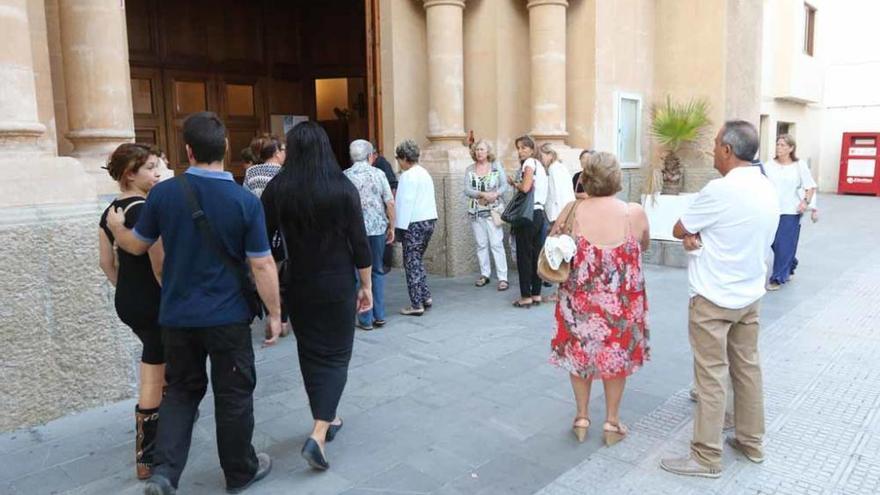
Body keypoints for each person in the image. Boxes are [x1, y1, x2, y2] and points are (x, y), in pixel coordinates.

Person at [107, 112, 280, 494]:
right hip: (228, 317)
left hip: (178, 315)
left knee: (181, 393)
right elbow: (262, 263)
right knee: (233, 394)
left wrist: (118, 229)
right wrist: (275, 313)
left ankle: (165, 473)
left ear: (188, 151)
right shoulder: (244, 200)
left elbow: (138, 245)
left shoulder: (163, 194)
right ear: (226, 147)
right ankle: (240, 471)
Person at [660, 120, 779, 478]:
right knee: (747, 369)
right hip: (749, 295)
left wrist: (693, 237)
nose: (712, 150)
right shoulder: (766, 186)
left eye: (714, 144)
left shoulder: (720, 190)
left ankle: (706, 457)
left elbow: (679, 228)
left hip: (713, 298)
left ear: (727, 150)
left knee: (711, 377)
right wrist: (700, 238)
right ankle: (751, 441)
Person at [261, 122, 373, 471]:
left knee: (310, 354)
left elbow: (262, 241)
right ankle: (319, 432)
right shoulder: (341, 187)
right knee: (337, 356)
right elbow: (359, 242)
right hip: (337, 282)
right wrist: (367, 285)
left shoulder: (279, 188)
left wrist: (272, 296)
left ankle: (328, 417)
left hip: (299, 282)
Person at [549, 151, 651, 446]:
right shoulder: (633, 213)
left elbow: (554, 246)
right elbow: (644, 244)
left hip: (577, 302)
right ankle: (611, 422)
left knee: (579, 355)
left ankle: (581, 417)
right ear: (617, 178)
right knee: (614, 357)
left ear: (585, 178)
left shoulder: (571, 211)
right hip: (621, 304)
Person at [98, 143, 165, 480]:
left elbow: (105, 263)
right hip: (155, 302)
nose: (158, 174)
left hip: (128, 301)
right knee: (153, 369)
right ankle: (147, 457)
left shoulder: (110, 211)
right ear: (129, 174)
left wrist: (126, 288)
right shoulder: (144, 210)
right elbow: (159, 265)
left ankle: (169, 421)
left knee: (162, 359)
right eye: (150, 168)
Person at [344, 139, 395, 331]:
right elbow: (389, 202)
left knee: (357, 272)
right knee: (377, 270)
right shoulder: (378, 174)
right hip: (377, 229)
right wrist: (392, 226)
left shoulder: (345, 176)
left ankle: (365, 318)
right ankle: (379, 314)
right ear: (369, 155)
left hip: (354, 231)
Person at [764, 134, 816, 290]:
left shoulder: (799, 165)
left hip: (791, 210)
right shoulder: (768, 166)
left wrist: (805, 202)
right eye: (778, 144)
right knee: (772, 242)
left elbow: (810, 186)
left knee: (783, 244)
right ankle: (791, 262)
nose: (779, 147)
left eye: (783, 145)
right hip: (771, 209)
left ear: (791, 148)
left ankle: (777, 278)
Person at [394, 139, 438, 316]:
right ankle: (425, 296)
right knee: (417, 260)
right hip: (429, 220)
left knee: (411, 263)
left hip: (413, 223)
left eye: (399, 158)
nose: (398, 162)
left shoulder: (407, 176)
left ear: (405, 158)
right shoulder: (424, 172)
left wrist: (398, 229)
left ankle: (416, 303)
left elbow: (404, 204)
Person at [464, 139, 510, 291]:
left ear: (488, 151)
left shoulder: (496, 166)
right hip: (476, 211)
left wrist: (495, 194)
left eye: (482, 149)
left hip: (493, 211)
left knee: (496, 243)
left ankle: (503, 277)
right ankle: (485, 274)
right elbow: (467, 189)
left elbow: (504, 185)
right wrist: (482, 194)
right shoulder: (470, 169)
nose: (479, 152)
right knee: (481, 244)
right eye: (477, 150)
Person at [508, 135, 548, 308]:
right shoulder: (541, 165)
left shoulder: (529, 163)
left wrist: (514, 183)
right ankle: (536, 293)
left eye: (524, 147)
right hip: (539, 213)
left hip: (527, 214)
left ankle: (526, 296)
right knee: (536, 254)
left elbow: (525, 187)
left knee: (524, 255)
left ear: (532, 149)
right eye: (518, 148)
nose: (520, 151)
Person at [371, 148, 399, 273]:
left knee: (387, 234)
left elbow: (392, 185)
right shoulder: (374, 165)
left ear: (374, 154)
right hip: (381, 205)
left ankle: (385, 263)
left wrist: (390, 206)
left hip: (384, 204)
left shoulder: (381, 164)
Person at [540, 143, 576, 228]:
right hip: (563, 212)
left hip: (558, 213)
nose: (541, 160)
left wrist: (559, 217)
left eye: (542, 156)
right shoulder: (559, 167)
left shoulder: (554, 169)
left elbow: (558, 194)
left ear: (550, 155)